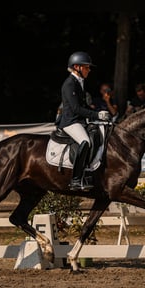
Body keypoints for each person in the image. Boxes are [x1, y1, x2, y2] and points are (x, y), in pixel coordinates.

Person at [57, 51, 111, 191]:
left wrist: (99, 114)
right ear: (77, 67)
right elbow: (75, 109)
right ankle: (75, 179)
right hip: (70, 122)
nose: (89, 70)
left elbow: (84, 106)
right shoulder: (69, 84)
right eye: (86, 67)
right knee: (85, 141)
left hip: (79, 121)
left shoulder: (79, 82)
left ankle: (89, 172)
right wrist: (97, 116)